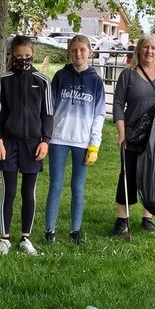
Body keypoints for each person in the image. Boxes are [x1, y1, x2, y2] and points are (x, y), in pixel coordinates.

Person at [111, 33, 155, 235]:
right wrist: (121, 132)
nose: (149, 51)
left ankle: (147, 215)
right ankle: (122, 218)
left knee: (154, 173)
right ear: (139, 50)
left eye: (153, 48)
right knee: (128, 174)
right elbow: (118, 104)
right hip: (133, 132)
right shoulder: (128, 74)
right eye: (145, 47)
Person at [0, 35, 53, 255]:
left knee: (29, 192)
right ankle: (4, 238)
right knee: (8, 191)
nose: (23, 60)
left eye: (27, 56)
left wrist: (45, 142)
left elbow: (48, 114)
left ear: (33, 54)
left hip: (33, 144)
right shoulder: (4, 80)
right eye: (18, 56)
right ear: (12, 55)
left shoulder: (43, 81)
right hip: (7, 143)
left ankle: (25, 237)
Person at [44, 34, 106, 245]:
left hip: (83, 141)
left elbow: (99, 115)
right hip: (58, 139)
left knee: (78, 187)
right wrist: (46, 135)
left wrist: (94, 144)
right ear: (69, 52)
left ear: (90, 52)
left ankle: (75, 231)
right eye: (74, 50)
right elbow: (49, 109)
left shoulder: (96, 81)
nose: (78, 54)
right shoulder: (60, 76)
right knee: (56, 185)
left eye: (82, 50)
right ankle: (49, 231)